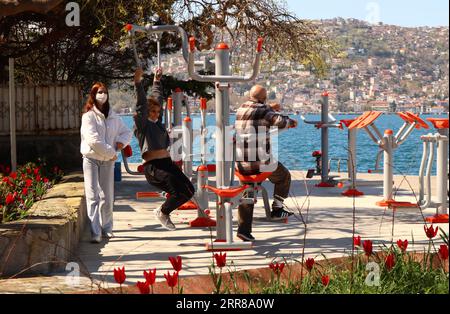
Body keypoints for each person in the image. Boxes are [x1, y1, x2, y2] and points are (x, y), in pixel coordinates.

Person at [133, 67, 195, 231]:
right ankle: (162, 212)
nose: (155, 114)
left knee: (189, 190)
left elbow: (158, 99)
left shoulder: (158, 125)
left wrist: (157, 81)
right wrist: (138, 83)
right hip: (154, 168)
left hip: (167, 163)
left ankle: (163, 211)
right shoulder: (143, 126)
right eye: (151, 112)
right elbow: (141, 105)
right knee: (177, 192)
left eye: (157, 112)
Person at [234, 84, 298, 242]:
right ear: (263, 98)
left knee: (249, 190)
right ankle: (277, 208)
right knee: (283, 176)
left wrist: (269, 107)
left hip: (241, 163)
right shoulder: (265, 111)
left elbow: (258, 111)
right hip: (260, 163)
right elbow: (281, 121)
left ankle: (243, 230)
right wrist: (291, 122)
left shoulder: (241, 109)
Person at [80, 82, 132, 243]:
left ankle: (107, 228)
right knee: (93, 196)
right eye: (99, 92)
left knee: (107, 197)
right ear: (93, 95)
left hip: (108, 161)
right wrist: (111, 153)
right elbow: (93, 140)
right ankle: (95, 232)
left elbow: (127, 132)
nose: (103, 94)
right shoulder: (88, 117)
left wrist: (120, 144)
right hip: (91, 160)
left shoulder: (114, 116)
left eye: (105, 92)